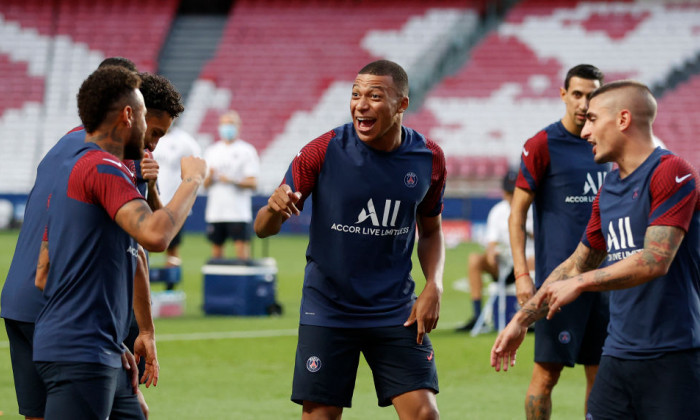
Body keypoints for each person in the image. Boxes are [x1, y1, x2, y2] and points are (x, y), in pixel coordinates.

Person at [492, 80, 700, 419]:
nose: (585, 131)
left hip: (672, 358)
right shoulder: (608, 190)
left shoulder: (672, 173)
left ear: (622, 120)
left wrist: (582, 283)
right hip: (616, 358)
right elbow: (576, 264)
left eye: (592, 119)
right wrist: (521, 319)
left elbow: (655, 260)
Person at [254, 60, 446, 419]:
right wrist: (274, 208)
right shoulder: (322, 150)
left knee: (425, 414)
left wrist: (434, 284)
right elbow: (263, 228)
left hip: (394, 309)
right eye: (356, 95)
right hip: (328, 308)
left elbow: (431, 230)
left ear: (402, 104)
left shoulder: (429, 158)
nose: (361, 104)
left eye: (375, 96)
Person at [0, 58, 178, 420]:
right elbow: (141, 248)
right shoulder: (114, 162)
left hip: (19, 302)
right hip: (69, 314)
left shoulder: (67, 146)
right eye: (153, 131)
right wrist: (143, 330)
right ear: (130, 113)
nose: (153, 145)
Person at [31, 66, 206, 419]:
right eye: (144, 118)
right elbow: (156, 235)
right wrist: (192, 181)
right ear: (129, 115)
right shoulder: (102, 169)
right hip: (79, 352)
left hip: (99, 348)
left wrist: (111, 338)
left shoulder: (75, 171)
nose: (149, 136)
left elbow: (43, 273)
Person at [507, 64, 609, 419]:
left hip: (607, 280)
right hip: (559, 283)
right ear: (563, 94)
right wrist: (522, 274)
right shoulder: (542, 144)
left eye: (591, 95)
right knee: (546, 375)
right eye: (577, 94)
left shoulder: (608, 142)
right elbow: (517, 214)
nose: (583, 103)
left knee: (603, 376)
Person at [456, 169, 535, 332]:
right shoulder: (498, 211)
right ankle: (478, 316)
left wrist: (523, 228)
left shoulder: (533, 210)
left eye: (514, 193)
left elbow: (542, 239)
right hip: (505, 263)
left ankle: (534, 316)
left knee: (533, 259)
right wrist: (492, 254)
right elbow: (491, 242)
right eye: (508, 193)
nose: (511, 197)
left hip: (529, 261)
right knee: (474, 259)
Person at [203, 110, 259, 260]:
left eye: (230, 124)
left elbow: (253, 182)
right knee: (216, 254)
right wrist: (210, 176)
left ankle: (242, 283)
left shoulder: (247, 151)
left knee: (242, 254)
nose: (227, 128)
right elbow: (205, 184)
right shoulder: (212, 151)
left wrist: (232, 180)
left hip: (238, 212)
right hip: (216, 212)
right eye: (224, 124)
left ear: (238, 127)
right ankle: (219, 284)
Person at [152, 126, 202, 267]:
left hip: (174, 202)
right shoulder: (150, 137)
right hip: (150, 199)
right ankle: (142, 285)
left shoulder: (186, 141)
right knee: (142, 246)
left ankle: (171, 286)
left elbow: (196, 168)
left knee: (171, 247)